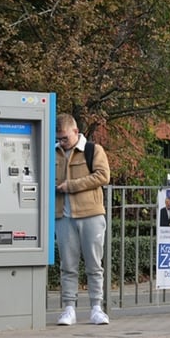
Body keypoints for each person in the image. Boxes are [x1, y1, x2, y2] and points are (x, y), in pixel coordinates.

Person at [54, 113, 111, 326]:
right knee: (67, 265)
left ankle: (97, 307)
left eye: (65, 138)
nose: (62, 142)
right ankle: (69, 308)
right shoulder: (54, 153)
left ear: (76, 132)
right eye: (59, 138)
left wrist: (71, 185)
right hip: (63, 215)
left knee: (94, 264)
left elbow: (103, 176)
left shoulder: (93, 150)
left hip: (91, 213)